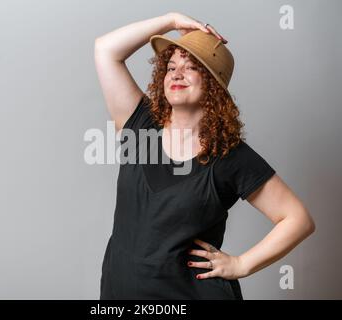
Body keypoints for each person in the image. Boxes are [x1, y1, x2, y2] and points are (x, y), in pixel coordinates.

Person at [94, 12, 315, 300]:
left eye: (191, 67)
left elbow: (298, 219)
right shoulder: (139, 125)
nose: (176, 74)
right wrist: (172, 20)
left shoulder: (229, 156)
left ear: (213, 83)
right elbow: (105, 49)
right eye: (170, 67)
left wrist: (241, 264)